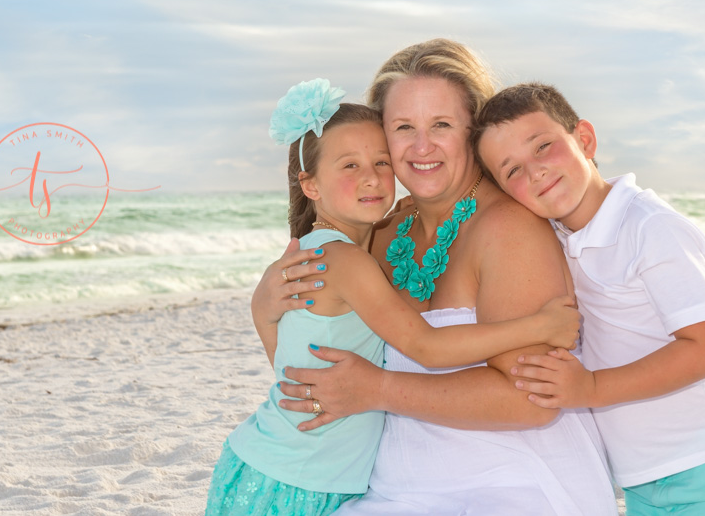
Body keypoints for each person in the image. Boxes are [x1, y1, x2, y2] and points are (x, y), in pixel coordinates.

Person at [253, 42, 617, 515]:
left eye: (441, 125)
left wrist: (379, 390)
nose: (421, 147)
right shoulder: (378, 233)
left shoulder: (507, 230)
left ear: (473, 131)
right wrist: (264, 306)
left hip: (508, 481)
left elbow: (534, 400)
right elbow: (317, 360)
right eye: (404, 128)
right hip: (392, 484)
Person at [474, 82, 705, 515]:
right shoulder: (554, 240)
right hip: (642, 479)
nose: (535, 172)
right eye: (511, 171)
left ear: (584, 139)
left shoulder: (649, 227)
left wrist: (591, 387)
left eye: (543, 146)